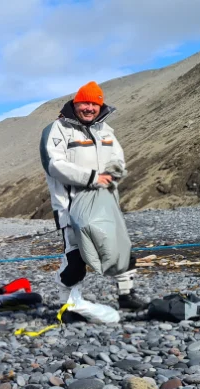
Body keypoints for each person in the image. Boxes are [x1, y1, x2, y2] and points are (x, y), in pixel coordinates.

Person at [39, 81, 144, 311]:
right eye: (84, 102)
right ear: (76, 103)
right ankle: (66, 299)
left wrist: (113, 173)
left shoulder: (105, 130)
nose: (89, 108)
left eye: (94, 104)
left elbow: (118, 159)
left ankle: (126, 294)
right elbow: (54, 165)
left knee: (121, 247)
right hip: (70, 206)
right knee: (76, 261)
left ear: (100, 106)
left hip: (104, 203)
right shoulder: (56, 130)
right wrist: (92, 177)